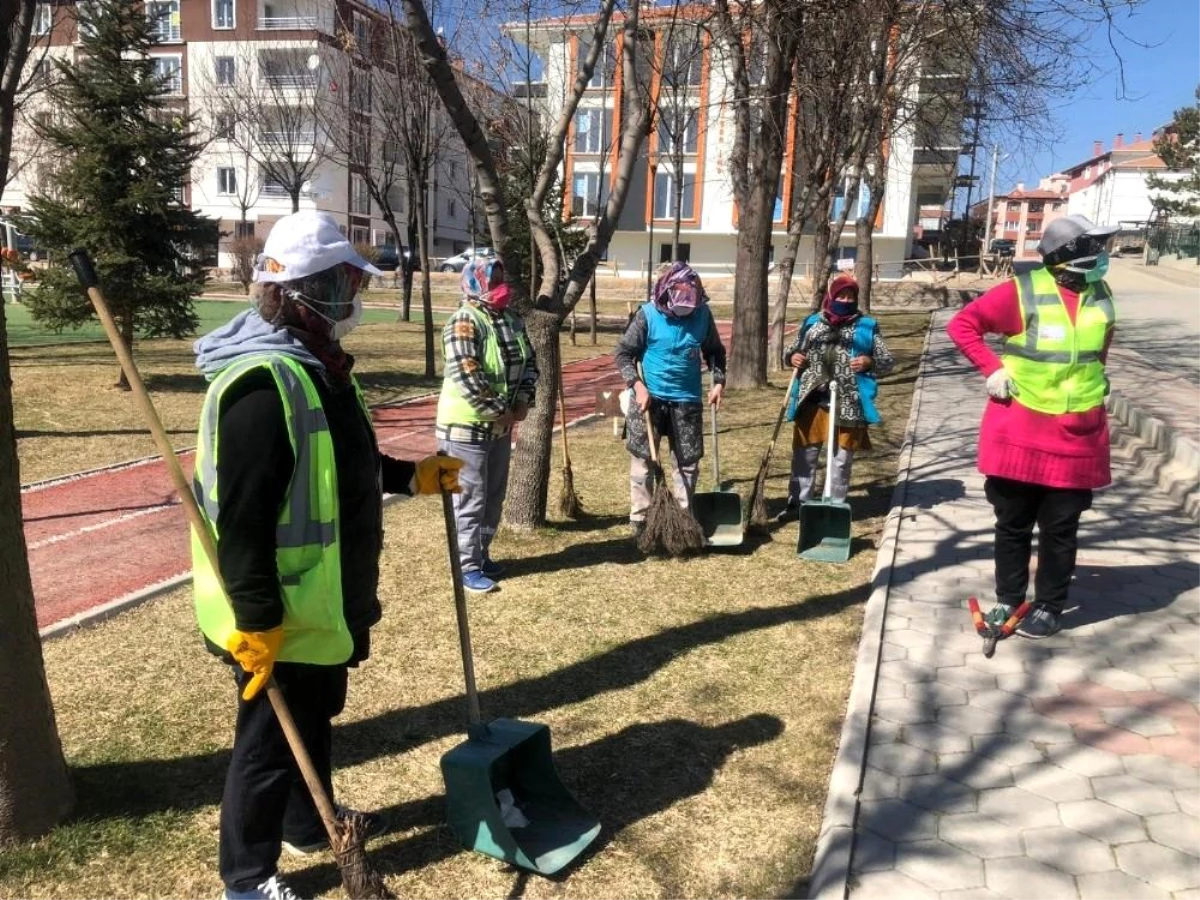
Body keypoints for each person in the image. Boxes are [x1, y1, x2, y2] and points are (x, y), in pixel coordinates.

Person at [191, 210, 463, 900]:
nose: (354, 303)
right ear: (302, 294)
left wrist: (411, 476)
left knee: (314, 720)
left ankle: (307, 824)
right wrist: (255, 619)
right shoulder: (259, 387)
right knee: (264, 744)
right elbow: (243, 524)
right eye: (343, 288)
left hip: (328, 600)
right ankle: (247, 877)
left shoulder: (325, 370)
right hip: (278, 611)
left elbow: (346, 462)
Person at [948, 214, 1118, 639]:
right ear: (1066, 256)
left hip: (1078, 432)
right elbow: (963, 325)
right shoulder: (1023, 292)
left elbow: (1100, 349)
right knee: (1013, 523)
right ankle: (1009, 598)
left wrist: (1098, 380)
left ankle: (1049, 606)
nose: (1102, 257)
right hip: (1020, 431)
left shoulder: (1101, 294)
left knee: (1061, 528)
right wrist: (991, 369)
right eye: (1093, 250)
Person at [436, 257, 539, 594]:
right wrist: (499, 410)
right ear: (475, 283)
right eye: (492, 280)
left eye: (501, 278)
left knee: (493, 495)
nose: (500, 287)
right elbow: (468, 374)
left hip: (499, 427)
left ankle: (481, 554)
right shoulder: (463, 321)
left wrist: (523, 400)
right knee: (470, 498)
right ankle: (465, 566)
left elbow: (530, 363)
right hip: (466, 426)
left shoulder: (511, 320)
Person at [614, 261, 727, 535]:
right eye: (681, 294)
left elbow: (715, 352)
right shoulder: (647, 315)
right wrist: (637, 386)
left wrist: (718, 382)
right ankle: (640, 518)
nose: (687, 301)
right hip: (649, 400)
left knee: (687, 463)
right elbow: (623, 353)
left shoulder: (703, 315)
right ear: (666, 291)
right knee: (643, 462)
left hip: (687, 401)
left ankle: (683, 516)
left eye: (692, 294)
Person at [775, 273, 894, 522]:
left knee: (841, 459)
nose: (845, 300)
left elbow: (886, 361)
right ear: (831, 296)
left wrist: (869, 361)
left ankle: (834, 506)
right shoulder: (812, 323)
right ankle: (798, 503)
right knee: (804, 455)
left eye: (850, 296)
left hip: (849, 402)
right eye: (841, 295)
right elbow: (792, 349)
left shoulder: (867, 327)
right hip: (812, 400)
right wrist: (793, 356)